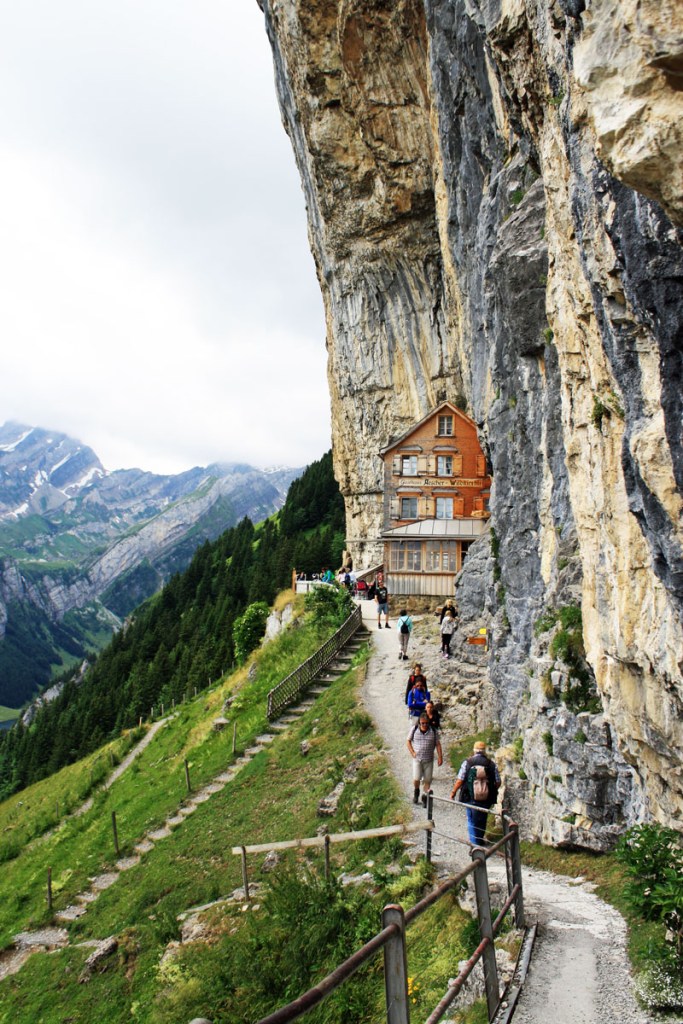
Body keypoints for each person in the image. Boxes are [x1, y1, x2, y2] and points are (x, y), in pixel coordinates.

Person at [450, 740, 501, 846]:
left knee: (472, 819)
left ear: (474, 750)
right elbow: (498, 782)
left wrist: (453, 792)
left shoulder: (468, 763)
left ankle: (475, 844)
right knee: (482, 818)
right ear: (484, 751)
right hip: (486, 798)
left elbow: (460, 779)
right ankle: (479, 840)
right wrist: (489, 790)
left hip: (470, 797)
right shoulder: (491, 764)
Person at [407, 712, 443, 805]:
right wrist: (412, 752)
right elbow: (408, 741)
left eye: (426, 723)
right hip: (417, 759)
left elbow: (438, 744)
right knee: (416, 778)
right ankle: (416, 791)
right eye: (423, 723)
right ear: (419, 723)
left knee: (428, 780)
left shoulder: (433, 731)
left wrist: (440, 757)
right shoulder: (414, 730)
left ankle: (424, 796)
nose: (424, 725)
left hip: (429, 760)